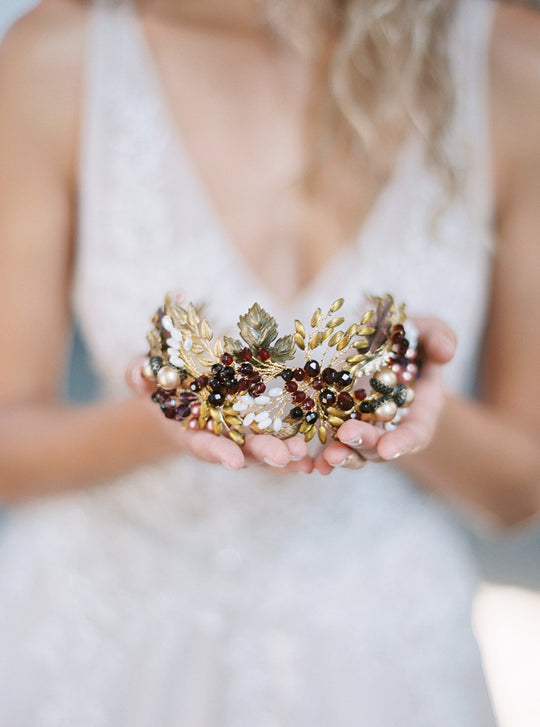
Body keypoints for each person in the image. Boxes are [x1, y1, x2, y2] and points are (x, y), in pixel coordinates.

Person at [0, 0, 538, 724]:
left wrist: (408, 407)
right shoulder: (63, 54)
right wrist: (161, 419)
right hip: (101, 630)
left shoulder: (510, 63)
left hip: (381, 652)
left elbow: (519, 491)